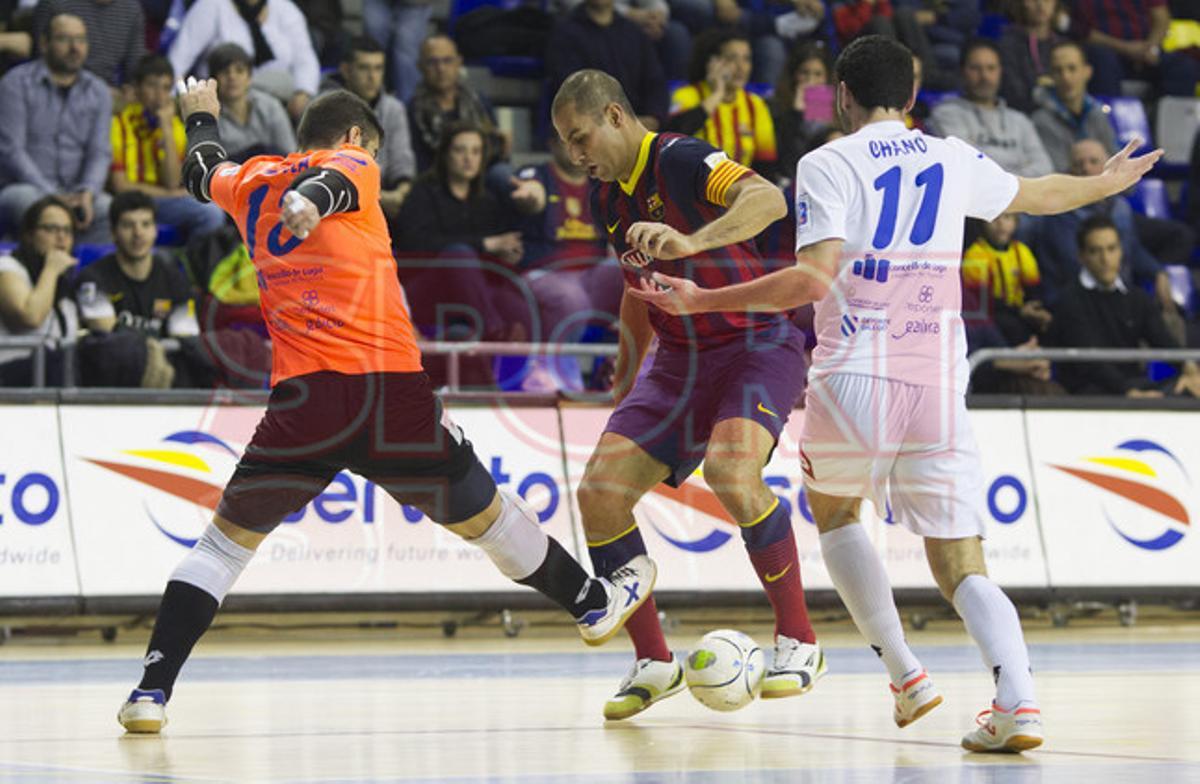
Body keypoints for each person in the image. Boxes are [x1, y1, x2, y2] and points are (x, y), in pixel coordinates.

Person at [629, 34, 1164, 751]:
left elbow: (812, 280)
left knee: (835, 510)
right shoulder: (949, 155)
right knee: (961, 558)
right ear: (912, 98)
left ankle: (907, 675)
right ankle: (1018, 701)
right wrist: (1108, 183)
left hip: (856, 373)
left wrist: (700, 302)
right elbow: (1037, 195)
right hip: (938, 378)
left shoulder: (825, 162)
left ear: (842, 96)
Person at [116, 82, 654, 734]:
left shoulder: (251, 178)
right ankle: (590, 604)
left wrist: (199, 112)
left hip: (304, 402)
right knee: (487, 519)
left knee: (220, 553)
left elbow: (202, 169)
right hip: (387, 396)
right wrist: (309, 202)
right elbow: (336, 183)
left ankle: (150, 692)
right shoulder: (354, 163)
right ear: (355, 138)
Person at [551, 69, 825, 721]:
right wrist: (624, 387)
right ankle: (654, 662)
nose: (575, 154)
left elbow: (768, 202)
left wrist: (692, 241)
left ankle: (800, 642)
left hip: (755, 341)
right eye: (566, 143)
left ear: (615, 116)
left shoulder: (679, 156)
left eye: (581, 137)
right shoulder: (609, 200)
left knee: (733, 472)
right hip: (678, 361)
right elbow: (636, 292)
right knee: (599, 497)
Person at [1047, 215, 1200, 397]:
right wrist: (1128, 392)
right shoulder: (1069, 300)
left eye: (1111, 249)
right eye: (1096, 251)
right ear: (1082, 257)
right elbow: (1090, 363)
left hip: (1135, 387)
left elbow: (1163, 341)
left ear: (1121, 251)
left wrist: (1189, 367)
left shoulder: (1137, 298)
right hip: (1089, 394)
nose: (1105, 259)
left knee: (1188, 388)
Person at [0, 13, 112, 243]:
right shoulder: (15, 83)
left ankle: (86, 277)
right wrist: (51, 195)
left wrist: (88, 192)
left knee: (108, 208)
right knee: (27, 202)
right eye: (64, 39)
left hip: (77, 191)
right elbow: (12, 151)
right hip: (28, 188)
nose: (74, 47)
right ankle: (37, 272)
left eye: (81, 40)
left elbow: (99, 152)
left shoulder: (99, 91)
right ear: (43, 43)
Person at [110, 54, 228, 240]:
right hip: (130, 201)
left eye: (166, 88)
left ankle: (193, 265)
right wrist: (170, 194)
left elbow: (173, 181)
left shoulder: (174, 126)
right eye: (152, 86)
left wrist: (165, 127)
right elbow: (120, 186)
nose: (159, 95)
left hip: (163, 202)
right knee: (208, 213)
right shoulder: (118, 124)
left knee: (213, 211)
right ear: (137, 89)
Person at [167, 0, 320, 121]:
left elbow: (305, 58)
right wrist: (170, 99)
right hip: (226, 101)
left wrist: (303, 92)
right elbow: (179, 59)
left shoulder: (286, 8)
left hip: (282, 101)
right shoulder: (210, 6)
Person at [928, 39, 1054, 178]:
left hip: (1023, 195)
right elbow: (970, 167)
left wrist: (1007, 182)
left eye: (991, 68)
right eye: (975, 68)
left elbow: (1045, 167)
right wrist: (1021, 170)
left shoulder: (1020, 120)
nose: (985, 76)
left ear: (1000, 71)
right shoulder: (946, 114)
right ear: (962, 71)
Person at [665, 28, 778, 180]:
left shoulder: (755, 104)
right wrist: (717, 94)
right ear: (711, 62)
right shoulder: (687, 95)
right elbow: (670, 141)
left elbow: (766, 163)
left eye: (746, 59)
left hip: (739, 193)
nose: (741, 67)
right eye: (732, 58)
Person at [329, 36, 416, 220]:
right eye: (364, 68)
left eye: (378, 68)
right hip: (339, 198)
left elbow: (402, 163)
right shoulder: (326, 108)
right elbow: (329, 168)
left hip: (386, 196)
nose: (372, 77)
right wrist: (379, 198)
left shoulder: (394, 109)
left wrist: (400, 193)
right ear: (346, 70)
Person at [547, 0, 668, 130]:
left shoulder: (634, 33)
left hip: (636, 124)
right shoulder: (565, 33)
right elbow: (569, 87)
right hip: (590, 127)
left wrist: (654, 117)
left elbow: (655, 82)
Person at [0, 196, 78, 386]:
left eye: (67, 230)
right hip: (9, 373)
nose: (61, 237)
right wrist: (51, 269)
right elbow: (29, 317)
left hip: (53, 375)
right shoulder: (8, 267)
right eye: (51, 229)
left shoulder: (66, 285)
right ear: (29, 235)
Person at [1030, 40, 1116, 173]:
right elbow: (1056, 176)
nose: (1066, 77)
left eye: (1072, 68)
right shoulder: (1040, 121)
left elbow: (1120, 168)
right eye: (1058, 71)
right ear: (1051, 76)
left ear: (1087, 72)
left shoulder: (1098, 114)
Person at [208, 43, 296, 161]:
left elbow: (291, 156)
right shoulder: (209, 116)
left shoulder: (271, 106)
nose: (232, 77)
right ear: (214, 80)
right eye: (225, 72)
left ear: (249, 77)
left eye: (239, 71)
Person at [997, 0, 1064, 114]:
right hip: (1022, 115)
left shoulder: (1064, 46)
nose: (1040, 4)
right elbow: (1014, 94)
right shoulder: (1008, 44)